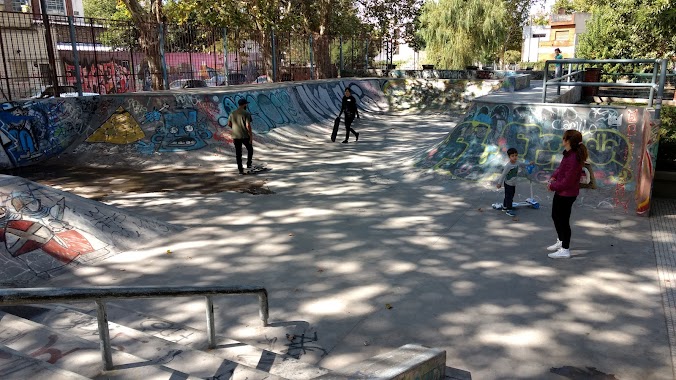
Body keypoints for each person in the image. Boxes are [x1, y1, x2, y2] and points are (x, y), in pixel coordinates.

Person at [546, 129, 589, 259]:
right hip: (561, 192)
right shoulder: (568, 154)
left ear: (568, 141)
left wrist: (552, 186)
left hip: (567, 194)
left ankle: (565, 249)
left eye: (564, 138)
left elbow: (568, 181)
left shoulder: (574, 158)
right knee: (555, 216)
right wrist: (554, 177)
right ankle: (561, 240)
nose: (562, 139)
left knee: (563, 221)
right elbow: (561, 169)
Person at [228, 98, 254, 175]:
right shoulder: (246, 113)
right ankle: (249, 164)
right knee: (250, 149)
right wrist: (251, 136)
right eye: (246, 104)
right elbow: (248, 125)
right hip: (245, 136)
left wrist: (235, 128)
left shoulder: (232, 113)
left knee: (238, 153)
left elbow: (229, 124)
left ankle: (240, 170)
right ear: (244, 104)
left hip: (236, 136)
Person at [496, 147, 524, 217]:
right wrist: (499, 183)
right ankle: (509, 209)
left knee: (508, 196)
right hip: (508, 184)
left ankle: (505, 207)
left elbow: (523, 164)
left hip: (513, 183)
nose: (515, 157)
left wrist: (529, 163)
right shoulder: (508, 166)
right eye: (512, 156)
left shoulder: (517, 162)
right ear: (509, 157)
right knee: (509, 197)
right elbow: (503, 175)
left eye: (516, 155)